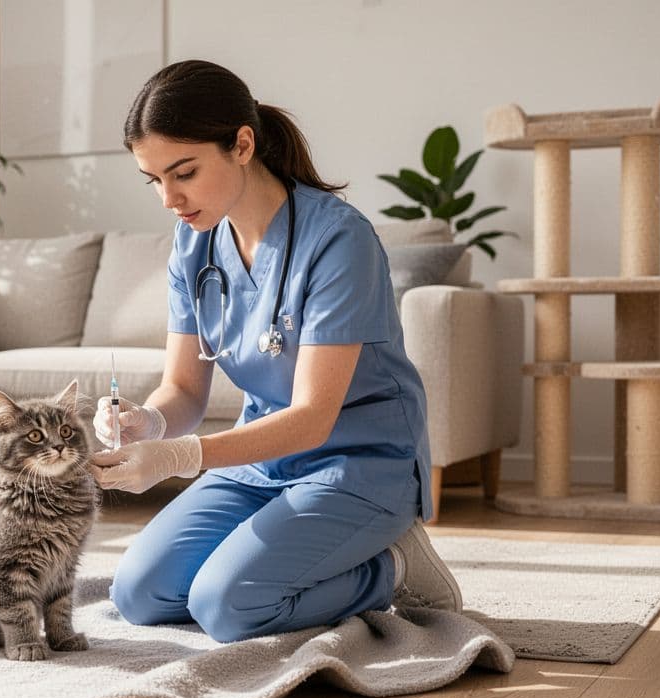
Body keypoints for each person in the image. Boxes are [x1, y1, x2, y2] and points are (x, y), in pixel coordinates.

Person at [88, 60, 461, 643]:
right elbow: (183, 390)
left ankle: (393, 567)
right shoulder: (193, 243)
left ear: (242, 145)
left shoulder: (338, 239)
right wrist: (149, 422)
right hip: (260, 459)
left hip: (359, 461)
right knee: (140, 594)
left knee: (227, 605)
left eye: (184, 172)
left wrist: (178, 457)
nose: (168, 198)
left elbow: (312, 419)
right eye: (153, 180)